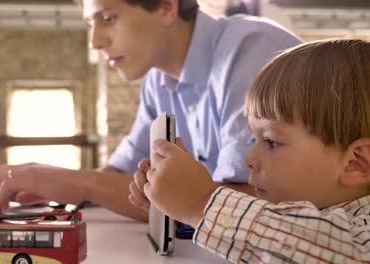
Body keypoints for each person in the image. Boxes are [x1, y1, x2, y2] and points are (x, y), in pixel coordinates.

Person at [0, 0, 301, 221]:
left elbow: (245, 203)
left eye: (108, 18)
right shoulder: (157, 79)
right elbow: (120, 172)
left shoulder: (253, 50)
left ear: (167, 7)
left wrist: (80, 183)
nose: (95, 41)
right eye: (91, 22)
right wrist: (50, 188)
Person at [132, 39, 370, 262]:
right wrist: (176, 209)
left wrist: (201, 204)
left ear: (356, 163)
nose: (249, 159)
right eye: (253, 138)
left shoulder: (360, 235)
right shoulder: (304, 221)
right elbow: (277, 239)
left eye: (271, 142)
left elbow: (334, 250)